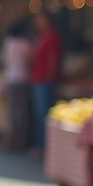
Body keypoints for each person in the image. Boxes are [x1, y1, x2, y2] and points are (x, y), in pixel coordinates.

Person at [30, 12, 63, 154]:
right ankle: (40, 143)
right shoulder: (41, 37)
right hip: (38, 79)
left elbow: (52, 59)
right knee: (39, 114)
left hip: (45, 80)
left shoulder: (52, 37)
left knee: (44, 114)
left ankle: (43, 145)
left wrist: (50, 78)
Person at [2, 20, 33, 150]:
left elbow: (4, 60)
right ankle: (21, 137)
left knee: (14, 109)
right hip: (21, 78)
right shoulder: (24, 43)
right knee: (22, 109)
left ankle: (15, 135)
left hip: (10, 78)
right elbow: (31, 59)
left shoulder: (8, 43)